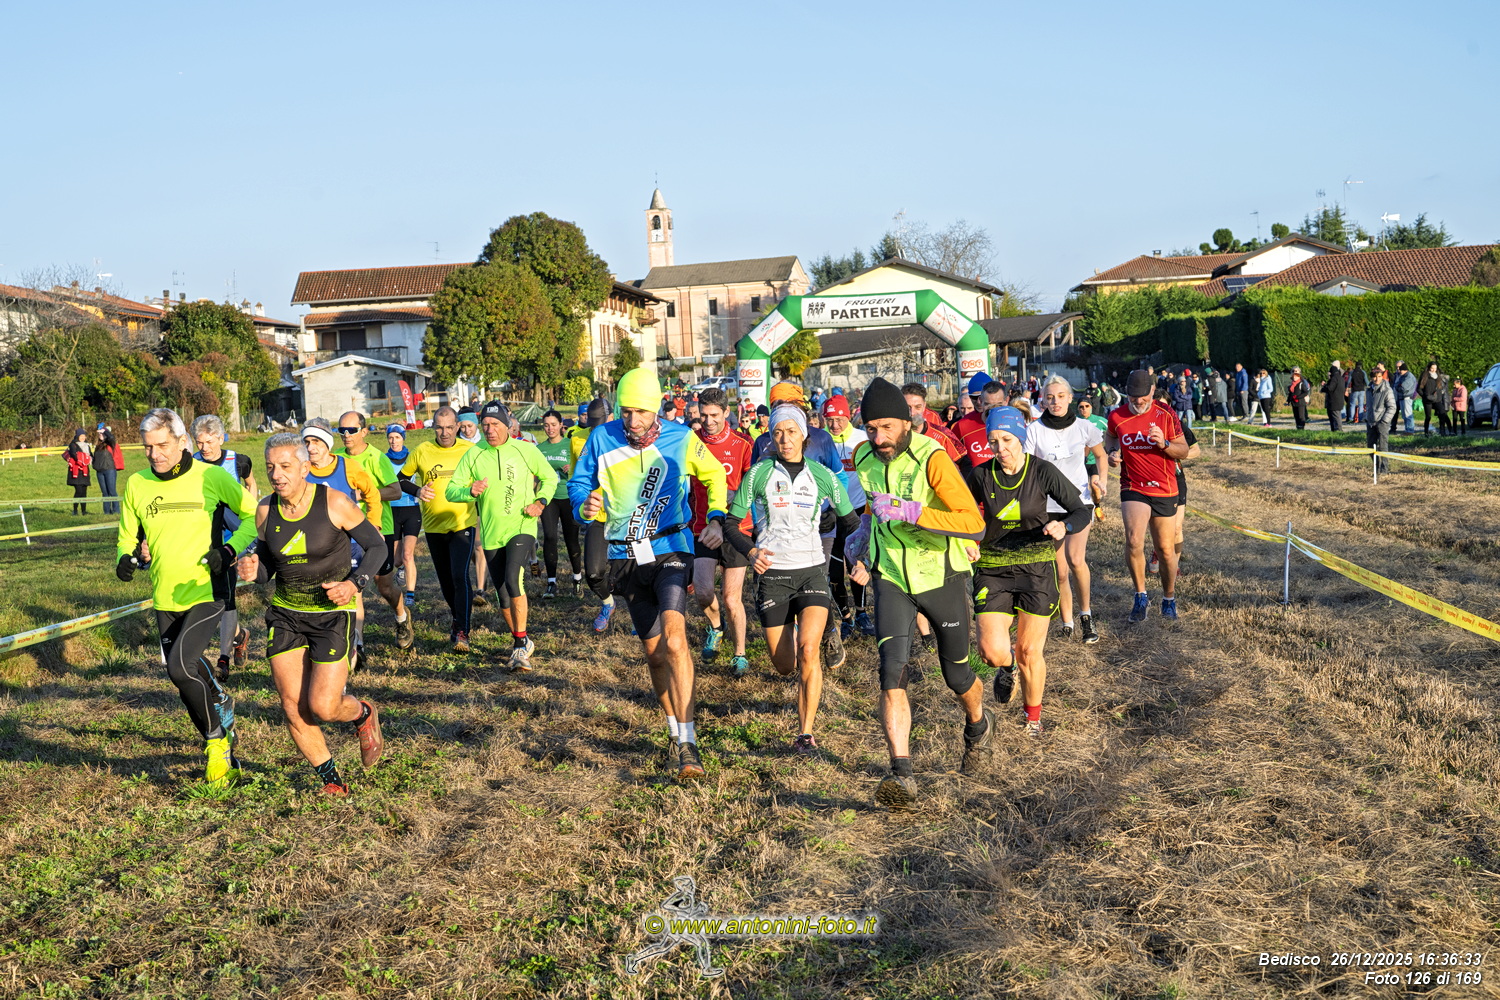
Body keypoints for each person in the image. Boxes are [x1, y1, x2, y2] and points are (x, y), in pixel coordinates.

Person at [569, 368, 728, 781]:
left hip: (672, 546)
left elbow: (715, 474)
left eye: (641, 411)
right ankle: (675, 731)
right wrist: (584, 504)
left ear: (656, 408)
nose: (633, 420)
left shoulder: (681, 437)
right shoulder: (601, 438)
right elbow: (578, 483)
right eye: (626, 411)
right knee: (655, 654)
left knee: (675, 641)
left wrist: (715, 516)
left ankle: (689, 743)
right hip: (624, 556)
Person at [844, 377, 986, 811]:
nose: (878, 438)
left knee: (956, 676)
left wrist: (914, 513)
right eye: (871, 429)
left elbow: (973, 522)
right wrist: (862, 537)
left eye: (887, 427)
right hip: (891, 578)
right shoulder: (863, 456)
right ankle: (901, 774)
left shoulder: (932, 458)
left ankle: (979, 725)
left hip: (940, 575)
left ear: (907, 422)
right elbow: (872, 508)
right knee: (891, 672)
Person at [236, 433, 386, 795]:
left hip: (332, 614)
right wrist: (252, 569)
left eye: (285, 466)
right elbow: (267, 568)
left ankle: (363, 713)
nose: (276, 474)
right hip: (287, 614)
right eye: (270, 467)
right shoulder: (265, 509)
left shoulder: (334, 502)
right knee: (292, 705)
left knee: (324, 706)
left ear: (305, 468)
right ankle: (332, 782)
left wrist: (354, 584)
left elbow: (377, 548)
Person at [116, 408, 256, 787]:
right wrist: (125, 558)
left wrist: (230, 551)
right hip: (165, 594)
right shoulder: (137, 484)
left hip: (208, 588)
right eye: (147, 447)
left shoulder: (210, 476)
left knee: (179, 667)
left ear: (182, 442)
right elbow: (128, 534)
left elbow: (252, 517)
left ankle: (216, 744)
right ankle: (221, 710)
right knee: (184, 677)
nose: (154, 454)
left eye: (162, 445)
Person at [725, 404, 860, 756]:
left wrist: (860, 556)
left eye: (791, 432)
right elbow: (730, 524)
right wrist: (751, 551)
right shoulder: (758, 474)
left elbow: (852, 523)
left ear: (804, 434)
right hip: (773, 575)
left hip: (811, 570)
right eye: (777, 433)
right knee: (785, 665)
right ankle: (799, 634)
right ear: (771, 437)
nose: (785, 439)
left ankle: (805, 733)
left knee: (808, 651)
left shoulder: (823, 475)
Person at [968, 405, 1092, 741]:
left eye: (1007, 440)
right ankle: (1007, 668)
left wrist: (1064, 526)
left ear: (1021, 438)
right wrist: (965, 540)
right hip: (993, 566)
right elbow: (958, 512)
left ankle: (1032, 721)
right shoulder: (980, 475)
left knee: (1029, 651)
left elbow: (1081, 510)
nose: (1000, 449)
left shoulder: (1042, 471)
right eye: (993, 441)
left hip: (1036, 565)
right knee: (992, 652)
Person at [445, 402, 556, 671]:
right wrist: (469, 492)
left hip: (522, 525)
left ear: (507, 425)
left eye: (495, 424)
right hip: (491, 533)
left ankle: (519, 648)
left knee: (512, 579)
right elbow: (451, 490)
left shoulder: (525, 449)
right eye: (485, 425)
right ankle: (522, 639)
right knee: (503, 595)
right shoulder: (474, 454)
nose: (489, 429)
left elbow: (550, 477)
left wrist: (540, 502)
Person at [1027, 376, 1107, 644]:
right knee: (1060, 570)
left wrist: (1101, 480)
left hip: (1078, 502)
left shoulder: (1085, 427)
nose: (1056, 402)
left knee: (1075, 559)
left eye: (1061, 396)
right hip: (1047, 505)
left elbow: (1101, 455)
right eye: (1050, 397)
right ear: (1043, 400)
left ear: (1070, 398)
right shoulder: (1034, 430)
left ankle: (1086, 615)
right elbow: (1028, 466)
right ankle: (1067, 622)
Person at [1107, 370, 1191, 623]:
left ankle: (1168, 597)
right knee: (1134, 540)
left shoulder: (1166, 415)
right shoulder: (1117, 416)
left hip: (1164, 488)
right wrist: (1113, 453)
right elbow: (1111, 438)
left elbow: (1184, 451)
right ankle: (1140, 595)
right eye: (1133, 397)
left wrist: (1164, 443)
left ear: (1152, 391)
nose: (1138, 401)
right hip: (1133, 486)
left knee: (1165, 549)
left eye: (1143, 397)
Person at [302, 419, 385, 672]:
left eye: (316, 441)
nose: (310, 447)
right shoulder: (302, 469)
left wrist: (373, 526)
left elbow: (372, 494)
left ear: (327, 443)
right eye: (306, 442)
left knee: (353, 592)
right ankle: (322, 644)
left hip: (349, 542)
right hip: (314, 546)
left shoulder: (347, 466)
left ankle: (356, 644)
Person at [398, 406, 477, 651]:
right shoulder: (422, 450)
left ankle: (463, 631)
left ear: (458, 427)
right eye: (440, 428)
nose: (445, 433)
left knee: (459, 575)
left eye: (450, 427)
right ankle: (457, 617)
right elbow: (401, 479)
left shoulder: (470, 450)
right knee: (446, 579)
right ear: (433, 427)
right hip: (434, 526)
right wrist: (418, 491)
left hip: (463, 522)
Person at [336, 412, 413, 652]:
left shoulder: (377, 458)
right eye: (341, 430)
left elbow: (396, 491)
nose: (346, 434)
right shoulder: (335, 458)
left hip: (378, 529)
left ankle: (402, 617)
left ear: (364, 431)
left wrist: (363, 494)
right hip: (345, 530)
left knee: (384, 587)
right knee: (353, 588)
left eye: (351, 430)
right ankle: (356, 645)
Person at [691, 388, 753, 676]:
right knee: (703, 592)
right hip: (702, 527)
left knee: (731, 598)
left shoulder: (743, 444)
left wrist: (731, 497)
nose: (708, 421)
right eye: (703, 415)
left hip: (736, 528)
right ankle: (716, 627)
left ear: (726, 413)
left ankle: (740, 654)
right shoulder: (691, 442)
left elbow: (752, 486)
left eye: (714, 415)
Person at [192, 414, 257, 676]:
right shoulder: (191, 463)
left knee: (226, 599)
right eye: (199, 442)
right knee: (208, 597)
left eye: (209, 442)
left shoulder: (239, 461)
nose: (204, 448)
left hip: (231, 541)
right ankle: (240, 636)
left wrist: (246, 518)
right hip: (202, 539)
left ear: (221, 438)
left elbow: (251, 484)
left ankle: (223, 660)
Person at [823, 393, 872, 637]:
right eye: (829, 420)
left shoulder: (862, 440)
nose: (835, 425)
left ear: (849, 416)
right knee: (834, 570)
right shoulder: (820, 441)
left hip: (858, 510)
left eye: (839, 419)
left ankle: (862, 612)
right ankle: (846, 618)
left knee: (857, 564)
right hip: (831, 513)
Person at [571, 397, 618, 631]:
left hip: (626, 518)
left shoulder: (624, 437)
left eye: (600, 423)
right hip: (598, 516)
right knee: (593, 573)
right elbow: (577, 479)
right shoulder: (579, 439)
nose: (595, 430)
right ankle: (608, 603)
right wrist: (583, 504)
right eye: (592, 425)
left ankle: (644, 615)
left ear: (611, 417)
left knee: (629, 576)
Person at [536, 409, 583, 597]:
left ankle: (577, 578)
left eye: (553, 425)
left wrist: (573, 468)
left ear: (561, 425)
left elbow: (583, 468)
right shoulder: (540, 449)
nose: (550, 429)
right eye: (546, 425)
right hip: (549, 498)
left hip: (568, 497)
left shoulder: (570, 444)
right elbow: (534, 475)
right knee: (549, 537)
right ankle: (551, 582)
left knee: (571, 539)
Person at [384, 424, 421, 609]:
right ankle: (401, 570)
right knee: (397, 560)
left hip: (411, 510)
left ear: (403, 438)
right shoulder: (383, 459)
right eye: (390, 437)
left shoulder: (412, 457)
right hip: (392, 510)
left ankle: (410, 595)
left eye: (397, 437)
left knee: (408, 554)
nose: (394, 441)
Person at [950, 373, 1000, 474]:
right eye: (973, 397)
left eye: (981, 397)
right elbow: (951, 458)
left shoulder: (1011, 420)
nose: (978, 402)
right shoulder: (962, 425)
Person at [901, 383, 963, 463]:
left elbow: (963, 463)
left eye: (918, 407)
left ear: (924, 406)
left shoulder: (944, 435)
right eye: (907, 407)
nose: (912, 412)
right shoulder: (892, 434)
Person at [1367, 364, 1395, 472]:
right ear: (1371, 377)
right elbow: (1368, 406)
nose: (1377, 379)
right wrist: (1367, 417)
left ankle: (1384, 469)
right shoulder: (1368, 390)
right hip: (1371, 422)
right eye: (1375, 377)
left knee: (1383, 447)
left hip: (1382, 422)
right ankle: (1376, 467)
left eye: (1379, 376)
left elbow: (1392, 407)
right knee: (1370, 447)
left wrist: (1384, 421)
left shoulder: (1387, 390)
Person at [95, 424, 123, 515]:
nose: (100, 435)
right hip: (100, 472)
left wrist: (104, 431)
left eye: (102, 434)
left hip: (109, 470)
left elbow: (111, 437)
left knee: (112, 491)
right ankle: (106, 511)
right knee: (105, 493)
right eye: (99, 434)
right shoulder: (98, 446)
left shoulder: (111, 444)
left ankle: (116, 511)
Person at [64, 429, 91, 514]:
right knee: (78, 491)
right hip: (76, 470)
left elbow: (91, 456)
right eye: (81, 436)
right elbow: (74, 455)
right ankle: (75, 510)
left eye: (84, 436)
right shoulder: (73, 445)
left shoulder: (87, 446)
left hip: (85, 471)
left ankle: (84, 511)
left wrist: (89, 460)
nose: (83, 438)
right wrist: (83, 460)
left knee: (84, 492)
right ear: (77, 436)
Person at [1418, 361, 1446, 436]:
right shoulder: (1425, 376)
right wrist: (1424, 396)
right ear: (1429, 368)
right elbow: (1419, 389)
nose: (1434, 370)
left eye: (1435, 368)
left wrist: (1439, 398)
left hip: (1437, 399)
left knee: (1442, 412)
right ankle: (1426, 432)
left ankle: (1442, 431)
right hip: (1427, 400)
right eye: (1432, 368)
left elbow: (1440, 388)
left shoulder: (1438, 376)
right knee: (1428, 416)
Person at [1392, 362, 1417, 434]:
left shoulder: (1409, 377)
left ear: (1405, 370)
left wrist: (1398, 387)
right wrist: (1398, 386)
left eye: (1401, 370)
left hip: (1407, 398)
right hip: (1402, 397)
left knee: (1408, 415)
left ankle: (1410, 430)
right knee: (1404, 415)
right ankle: (1407, 429)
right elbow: (1397, 385)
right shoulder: (1403, 376)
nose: (1399, 371)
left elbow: (1403, 388)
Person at [1321, 362, 1345, 432]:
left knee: (1335, 417)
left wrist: (1324, 387)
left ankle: (1338, 430)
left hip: (1334, 401)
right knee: (1337, 416)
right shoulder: (1341, 378)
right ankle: (1337, 430)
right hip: (1339, 400)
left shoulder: (1334, 378)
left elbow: (1330, 388)